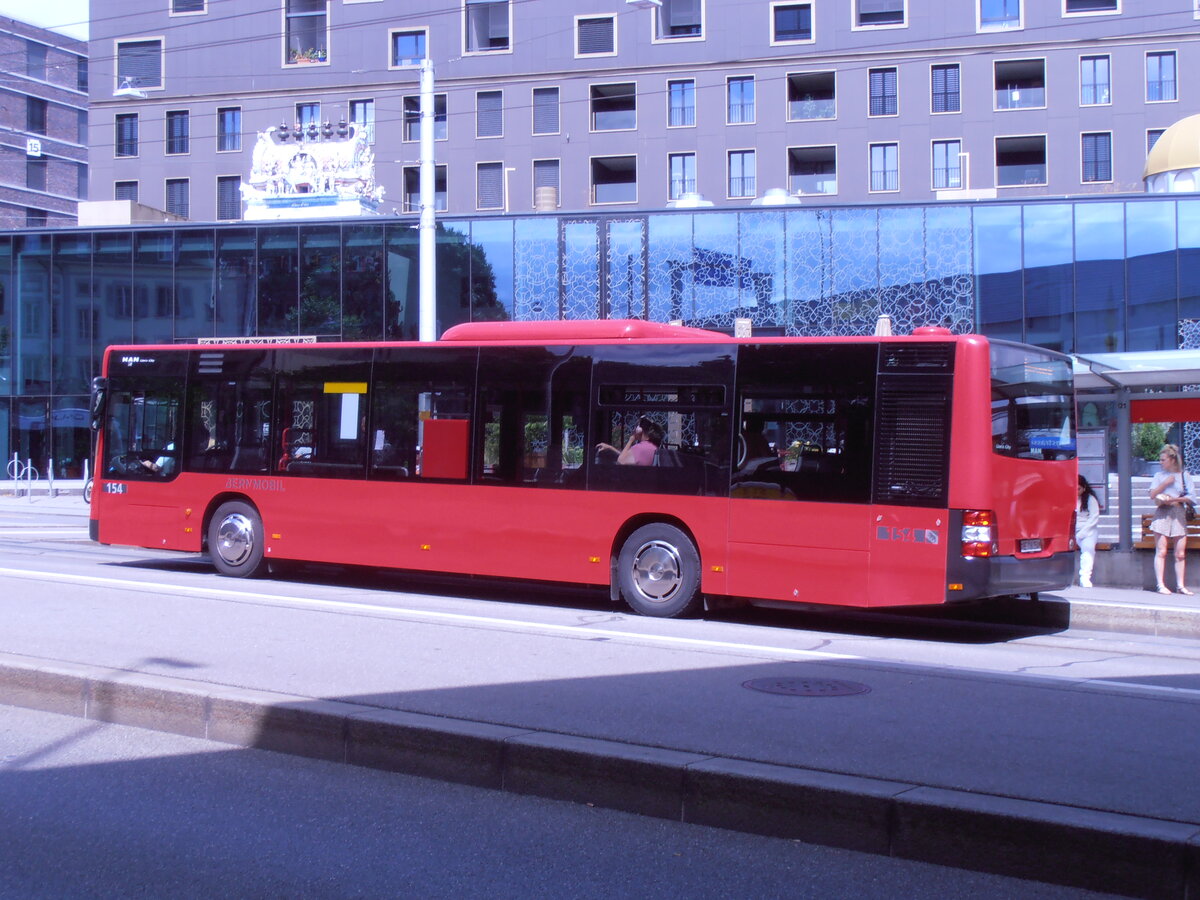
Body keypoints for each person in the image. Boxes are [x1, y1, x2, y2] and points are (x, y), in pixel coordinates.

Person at [1148, 443, 1195, 595]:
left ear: (1172, 460)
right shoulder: (1158, 476)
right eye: (1160, 460)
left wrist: (1176, 499)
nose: (1161, 463)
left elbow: (1191, 497)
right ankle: (1160, 584)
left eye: (1163, 460)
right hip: (1162, 512)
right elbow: (1152, 494)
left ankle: (1180, 585)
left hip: (1178, 513)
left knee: (1180, 553)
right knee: (1161, 550)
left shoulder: (1184, 475)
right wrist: (1165, 484)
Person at [596, 418, 662, 466]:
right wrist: (610, 447)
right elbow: (628, 456)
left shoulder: (639, 448)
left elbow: (621, 461)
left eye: (636, 426)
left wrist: (631, 440)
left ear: (639, 430)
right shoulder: (652, 447)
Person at [1075, 475, 1100, 588]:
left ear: (1084, 488)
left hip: (1087, 530)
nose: (1076, 491)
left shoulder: (1090, 499)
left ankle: (1084, 577)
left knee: (1088, 550)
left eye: (1078, 489)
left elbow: (1094, 518)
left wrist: (1083, 533)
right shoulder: (1067, 498)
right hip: (1072, 530)